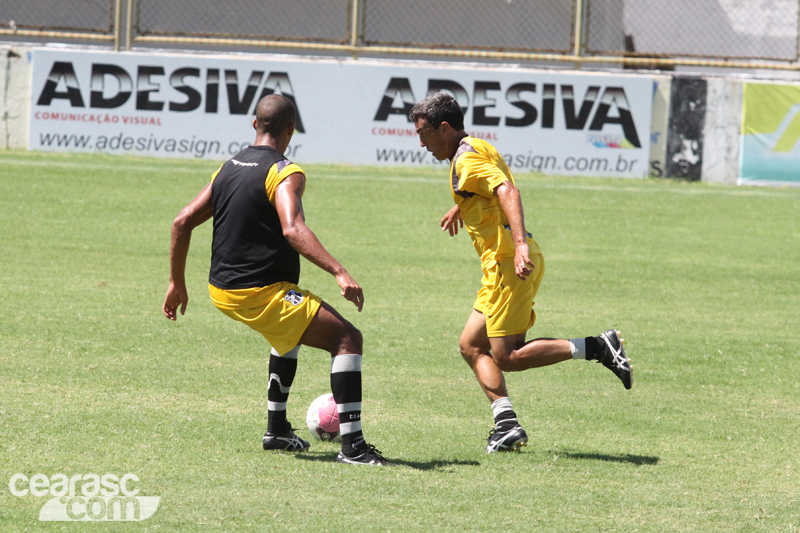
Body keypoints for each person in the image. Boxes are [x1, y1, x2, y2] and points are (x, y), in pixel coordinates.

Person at [162, 94, 387, 466]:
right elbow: (292, 228)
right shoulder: (284, 171)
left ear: (255, 124)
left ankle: (277, 430)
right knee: (347, 338)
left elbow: (181, 221)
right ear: (291, 129)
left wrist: (176, 283)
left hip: (222, 289)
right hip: (259, 292)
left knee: (287, 334)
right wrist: (339, 271)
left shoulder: (229, 167)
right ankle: (353, 448)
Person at [409, 92, 633, 453]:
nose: (422, 143)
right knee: (471, 346)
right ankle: (507, 426)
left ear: (445, 128)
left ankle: (597, 347)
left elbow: (506, 190)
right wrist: (462, 205)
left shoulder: (466, 161)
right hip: (501, 267)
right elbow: (489, 188)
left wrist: (519, 245)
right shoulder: (475, 146)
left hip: (509, 264)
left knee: (507, 356)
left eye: (424, 134)